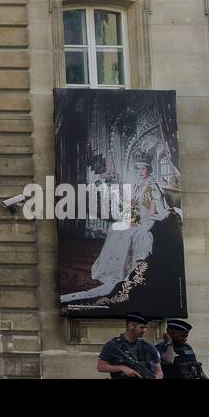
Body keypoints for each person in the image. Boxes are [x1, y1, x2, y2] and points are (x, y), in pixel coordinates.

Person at [61, 156, 175, 303]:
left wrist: (143, 220)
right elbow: (133, 205)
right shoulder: (137, 184)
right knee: (116, 229)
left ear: (148, 169)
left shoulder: (152, 186)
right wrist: (129, 212)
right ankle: (111, 271)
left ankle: (122, 273)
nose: (140, 171)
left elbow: (156, 211)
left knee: (129, 234)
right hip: (136, 217)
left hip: (148, 219)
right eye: (138, 168)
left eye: (143, 168)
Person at [97, 313, 161, 379]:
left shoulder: (148, 346)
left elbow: (159, 371)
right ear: (131, 326)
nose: (145, 331)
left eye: (146, 327)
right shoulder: (113, 345)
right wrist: (121, 368)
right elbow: (101, 367)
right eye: (142, 327)